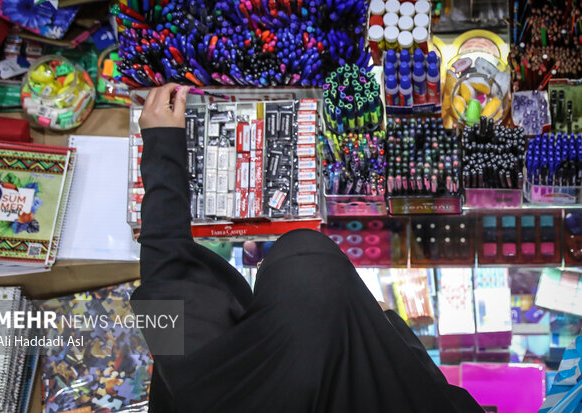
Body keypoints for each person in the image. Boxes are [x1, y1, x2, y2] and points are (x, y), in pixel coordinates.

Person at [131, 83, 484, 413]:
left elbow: (165, 278)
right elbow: (426, 385)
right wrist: (384, 324)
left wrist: (162, 149)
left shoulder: (193, 378)